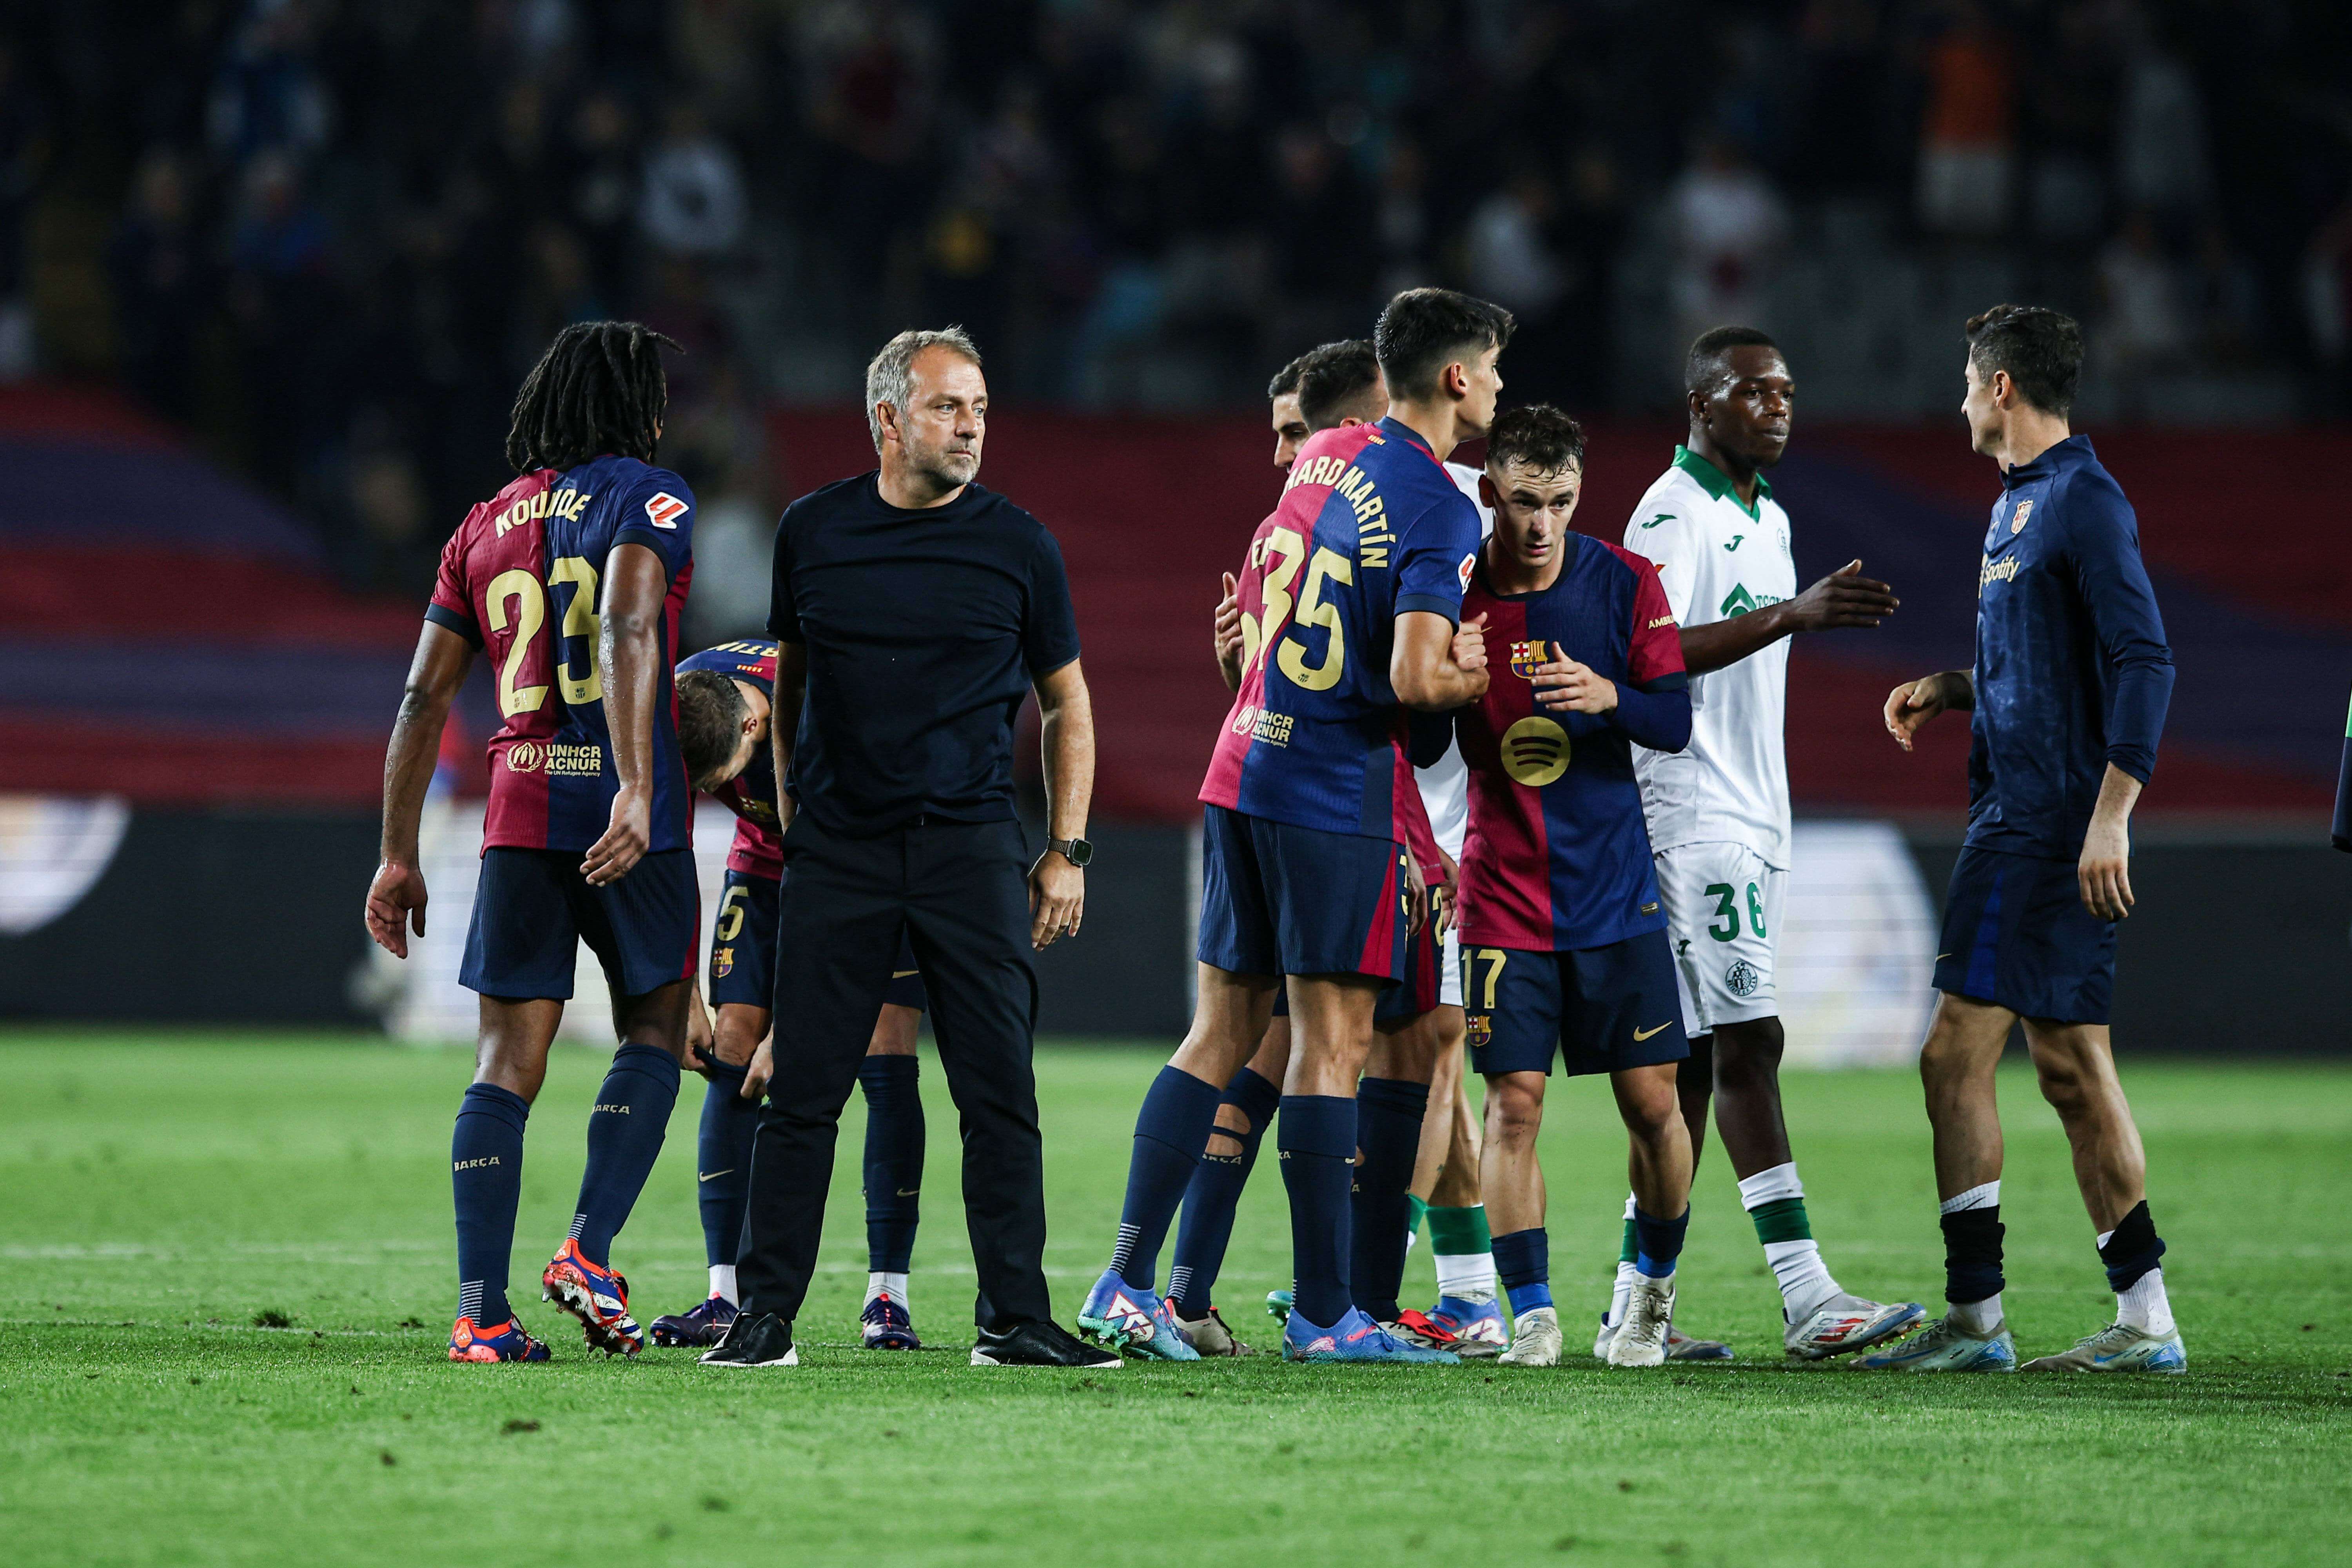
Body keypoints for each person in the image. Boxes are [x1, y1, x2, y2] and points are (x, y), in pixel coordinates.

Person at [1076, 288, 1502, 1365]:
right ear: (1456, 378)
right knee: (1333, 1045)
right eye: (1491, 367)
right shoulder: (1446, 505)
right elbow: (1410, 676)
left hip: (1242, 763)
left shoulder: (1324, 460)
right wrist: (1460, 680)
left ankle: (1123, 1282)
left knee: (1218, 1032)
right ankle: (1327, 1316)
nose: (1497, 386)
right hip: (1329, 790)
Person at [701, 327, 1114, 1371]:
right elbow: (789, 683)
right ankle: (766, 1322)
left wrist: (1066, 848)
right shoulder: (814, 531)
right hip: (840, 852)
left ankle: (1013, 1320)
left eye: (978, 407)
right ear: (889, 420)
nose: (971, 425)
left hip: (972, 850)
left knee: (998, 1094)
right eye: (947, 406)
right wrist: (797, 813)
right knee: (802, 1098)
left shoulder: (1019, 544)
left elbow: (1069, 704)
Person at [1860, 305, 2184, 1375]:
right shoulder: (2020, 507)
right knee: (2071, 1067)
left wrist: (2111, 817)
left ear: (2001, 387)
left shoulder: (2083, 501)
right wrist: (1956, 688)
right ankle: (2146, 1321)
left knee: (1955, 1053)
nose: (1958, 398)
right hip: (2025, 809)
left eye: (1966, 379)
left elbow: (2146, 660)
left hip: (2041, 825)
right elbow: (2047, 666)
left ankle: (1975, 1318)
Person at [365, 321, 698, 1363]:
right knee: (656, 1028)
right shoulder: (652, 497)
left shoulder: (483, 524)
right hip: (620, 807)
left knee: (504, 1064)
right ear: (638, 408)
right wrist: (638, 789)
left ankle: (480, 1316)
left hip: (514, 804)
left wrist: (397, 852)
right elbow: (632, 627)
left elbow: (424, 696)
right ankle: (589, 1252)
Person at [1593, 327, 1924, 1363]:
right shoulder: (1670, 511)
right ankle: (1807, 1293)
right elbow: (1642, 653)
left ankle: (1634, 1314)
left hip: (1754, 813)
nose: (1779, 406)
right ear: (1701, 402)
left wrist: (1794, 610)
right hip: (1692, 813)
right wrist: (1796, 613)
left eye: (1787, 390)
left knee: (1691, 1066)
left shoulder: (1767, 516)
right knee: (1750, 1045)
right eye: (1755, 391)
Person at [1448, 403, 1697, 1370]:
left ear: (1578, 493)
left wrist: (1610, 698)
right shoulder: (1452, 591)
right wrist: (1446, 682)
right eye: (1521, 502)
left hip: (1613, 894)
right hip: (1503, 895)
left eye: (1558, 501)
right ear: (1490, 493)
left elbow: (1673, 722)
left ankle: (1650, 1297)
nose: (1540, 523)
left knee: (1651, 1104)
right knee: (1512, 1105)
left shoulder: (1627, 583)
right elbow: (1422, 735)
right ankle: (1536, 1315)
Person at [645, 644, 931, 1351]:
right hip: (764, 865)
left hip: (870, 865)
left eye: (730, 781)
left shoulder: (829, 705)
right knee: (731, 1049)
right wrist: (682, 986)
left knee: (883, 1051)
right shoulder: (671, 704)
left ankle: (887, 1296)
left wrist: (800, 1020)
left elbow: (832, 864)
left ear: (755, 730)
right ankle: (725, 1295)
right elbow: (666, 844)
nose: (728, 792)